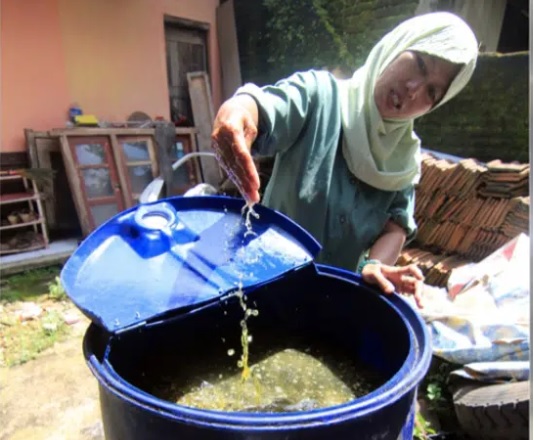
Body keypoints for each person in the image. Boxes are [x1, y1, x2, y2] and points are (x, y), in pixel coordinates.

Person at [211, 12, 478, 308]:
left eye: (432, 91)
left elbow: (396, 228)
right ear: (398, 45)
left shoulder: (404, 161)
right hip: (265, 284)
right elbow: (266, 107)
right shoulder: (320, 96)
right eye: (419, 64)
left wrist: (374, 264)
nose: (414, 89)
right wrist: (237, 111)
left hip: (333, 305)